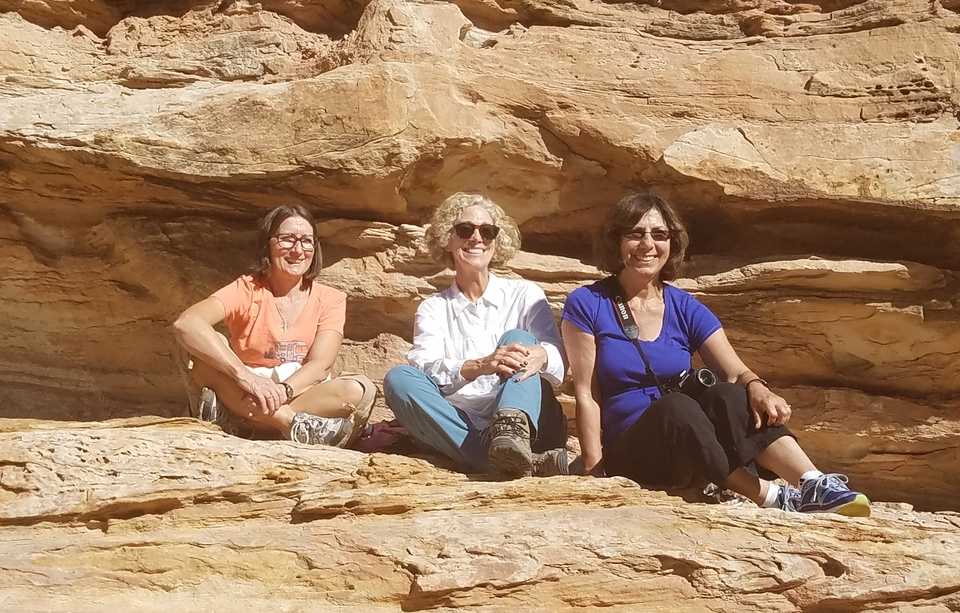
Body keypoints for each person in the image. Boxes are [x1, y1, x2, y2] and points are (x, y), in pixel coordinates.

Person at [562, 191, 871, 516]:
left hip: (690, 451)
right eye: (635, 233)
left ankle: (814, 484)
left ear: (672, 243)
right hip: (633, 454)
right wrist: (594, 472)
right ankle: (772, 496)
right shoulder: (588, 303)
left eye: (659, 234)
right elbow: (587, 393)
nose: (647, 244)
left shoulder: (684, 307)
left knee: (730, 395)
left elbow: (735, 372)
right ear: (616, 241)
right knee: (677, 406)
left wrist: (758, 389)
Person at [383, 192, 569, 478]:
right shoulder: (433, 308)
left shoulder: (525, 294)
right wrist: (481, 365)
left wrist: (543, 353)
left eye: (487, 231)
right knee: (398, 378)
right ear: (448, 238)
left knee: (518, 336)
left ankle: (510, 437)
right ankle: (504, 459)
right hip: (462, 423)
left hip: (533, 423)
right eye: (465, 230)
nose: (476, 238)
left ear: (497, 239)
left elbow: (556, 358)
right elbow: (423, 366)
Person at [173, 204, 376, 447]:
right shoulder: (247, 289)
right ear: (267, 244)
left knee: (358, 390)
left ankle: (246, 422)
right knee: (200, 351)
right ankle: (292, 424)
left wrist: (283, 391)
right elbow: (186, 323)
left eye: (306, 240)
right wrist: (247, 378)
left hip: (289, 394)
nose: (298, 249)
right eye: (287, 239)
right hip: (245, 389)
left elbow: (321, 364)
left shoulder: (330, 299)